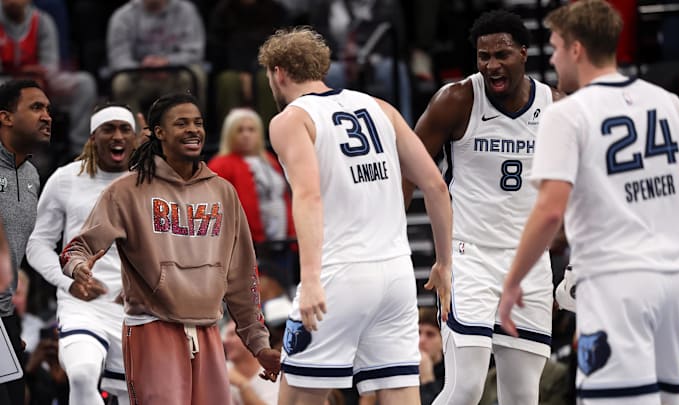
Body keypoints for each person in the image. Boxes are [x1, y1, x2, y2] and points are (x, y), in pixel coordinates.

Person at [498, 1, 679, 404]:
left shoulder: (566, 114)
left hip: (616, 282)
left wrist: (512, 282)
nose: (553, 56)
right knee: (666, 398)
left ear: (577, 49)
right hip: (674, 282)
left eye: (556, 47)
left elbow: (549, 210)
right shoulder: (667, 102)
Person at [257, 27, 453, 405]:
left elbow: (309, 195)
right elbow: (435, 185)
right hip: (396, 275)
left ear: (278, 72)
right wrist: (443, 262)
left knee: (299, 398)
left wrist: (310, 278)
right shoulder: (380, 108)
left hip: (339, 274)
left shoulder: (290, 120)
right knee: (399, 395)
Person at [58, 93, 280, 404]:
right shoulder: (127, 191)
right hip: (152, 327)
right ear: (158, 132)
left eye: (198, 123)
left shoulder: (223, 191)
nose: (193, 130)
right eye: (182, 123)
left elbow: (243, 275)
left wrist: (258, 344)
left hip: (208, 329)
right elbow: (78, 247)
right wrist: (78, 267)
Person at [401, 10, 562, 405]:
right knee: (466, 389)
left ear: (524, 53)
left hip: (529, 263)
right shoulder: (456, 100)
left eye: (502, 54)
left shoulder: (556, 107)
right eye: (483, 56)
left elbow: (578, 187)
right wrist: (388, 235)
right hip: (468, 256)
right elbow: (409, 170)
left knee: (524, 396)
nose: (491, 65)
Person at [25, 103, 138, 405]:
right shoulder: (65, 179)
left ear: (135, 138)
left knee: (135, 394)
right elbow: (37, 244)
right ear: (92, 138)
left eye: (125, 129)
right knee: (83, 373)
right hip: (82, 304)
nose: (117, 136)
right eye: (108, 129)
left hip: (138, 307)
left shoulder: (150, 181)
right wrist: (69, 283)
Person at [0, 79, 51, 405]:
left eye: (48, 109)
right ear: (6, 117)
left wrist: (10, 326)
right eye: (36, 108)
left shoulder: (32, 175)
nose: (47, 116)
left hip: (5, 315)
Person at [0, 0, 97, 159]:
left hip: (41, 82)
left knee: (84, 84)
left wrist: (38, 76)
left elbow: (50, 65)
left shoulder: (42, 21)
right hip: (6, 83)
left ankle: (78, 150)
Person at [208, 108, 295, 246]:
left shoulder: (270, 160)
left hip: (282, 238)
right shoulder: (220, 165)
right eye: (240, 130)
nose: (246, 135)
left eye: (251, 129)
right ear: (229, 134)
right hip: (247, 242)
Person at [107, 0, 206, 119]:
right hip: (140, 77)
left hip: (174, 74)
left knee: (194, 74)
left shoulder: (186, 11)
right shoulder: (123, 16)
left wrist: (167, 63)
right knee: (121, 82)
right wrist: (143, 68)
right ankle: (135, 134)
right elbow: (118, 58)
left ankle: (185, 130)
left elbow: (194, 51)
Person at [223, 320, 279, 405]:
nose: (226, 341)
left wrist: (242, 385)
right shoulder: (219, 372)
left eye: (232, 334)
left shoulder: (273, 373)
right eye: (226, 336)